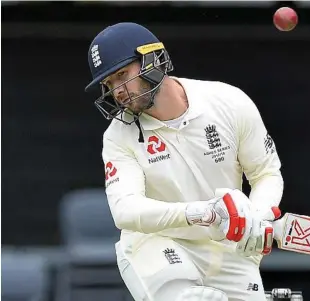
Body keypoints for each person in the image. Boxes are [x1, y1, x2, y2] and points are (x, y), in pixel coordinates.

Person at [85, 22, 284, 301]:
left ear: (152, 59)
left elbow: (266, 174)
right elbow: (125, 210)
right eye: (109, 84)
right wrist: (202, 212)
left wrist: (258, 214)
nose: (117, 91)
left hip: (225, 247)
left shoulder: (228, 102)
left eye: (122, 75)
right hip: (158, 245)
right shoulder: (118, 137)